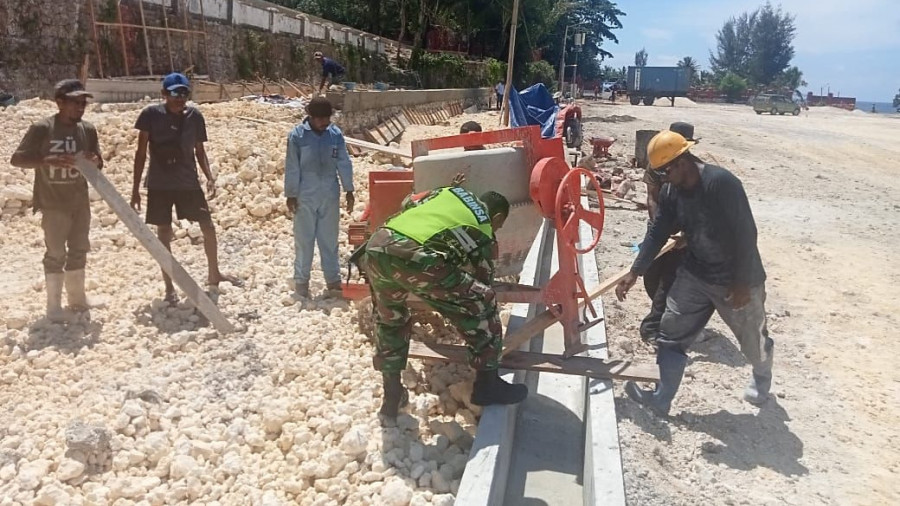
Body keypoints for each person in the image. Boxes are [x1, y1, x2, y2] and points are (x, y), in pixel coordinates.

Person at [615, 130, 774, 416]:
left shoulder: (721, 183)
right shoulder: (671, 190)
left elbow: (746, 233)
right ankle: (661, 398)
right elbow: (658, 232)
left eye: (665, 171)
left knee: (753, 339)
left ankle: (762, 377)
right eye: (659, 173)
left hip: (735, 279)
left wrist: (741, 282)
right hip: (696, 274)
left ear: (682, 161)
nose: (662, 178)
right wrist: (634, 271)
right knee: (671, 334)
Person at [361, 179, 527, 424]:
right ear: (498, 216)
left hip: (377, 247)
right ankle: (487, 385)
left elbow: (409, 202)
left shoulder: (449, 191)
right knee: (484, 301)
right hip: (415, 258)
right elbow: (484, 279)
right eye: (499, 226)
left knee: (391, 320)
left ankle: (392, 396)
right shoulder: (483, 225)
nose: (496, 230)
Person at [131, 72, 240, 305]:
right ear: (164, 94)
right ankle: (169, 287)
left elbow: (199, 151)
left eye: (184, 93)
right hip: (160, 184)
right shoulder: (150, 115)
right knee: (164, 233)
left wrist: (209, 176)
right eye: (174, 93)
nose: (180, 98)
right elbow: (140, 154)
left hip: (188, 182)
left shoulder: (195, 116)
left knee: (208, 226)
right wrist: (134, 190)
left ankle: (214, 273)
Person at [10, 79, 103, 322]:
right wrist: (46, 161)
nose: (80, 107)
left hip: (79, 201)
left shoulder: (88, 130)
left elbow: (99, 162)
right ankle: (53, 308)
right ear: (59, 103)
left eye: (83, 103)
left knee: (80, 249)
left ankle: (78, 300)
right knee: (55, 253)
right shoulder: (43, 128)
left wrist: (94, 160)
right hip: (53, 203)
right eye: (75, 103)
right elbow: (17, 159)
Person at [284, 97, 355, 299]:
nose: (325, 122)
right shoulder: (297, 136)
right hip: (305, 196)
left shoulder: (335, 135)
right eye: (321, 119)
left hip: (329, 196)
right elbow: (292, 167)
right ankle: (301, 284)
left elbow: (344, 162)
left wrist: (349, 189)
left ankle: (333, 282)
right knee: (304, 241)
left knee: (329, 240)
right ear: (311, 117)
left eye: (327, 118)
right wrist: (291, 194)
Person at [639, 122, 696, 344]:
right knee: (651, 273)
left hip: (683, 229)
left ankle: (655, 324)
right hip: (660, 222)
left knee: (671, 278)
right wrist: (657, 227)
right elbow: (652, 196)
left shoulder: (692, 169)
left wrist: (686, 233)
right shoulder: (656, 165)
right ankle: (664, 312)